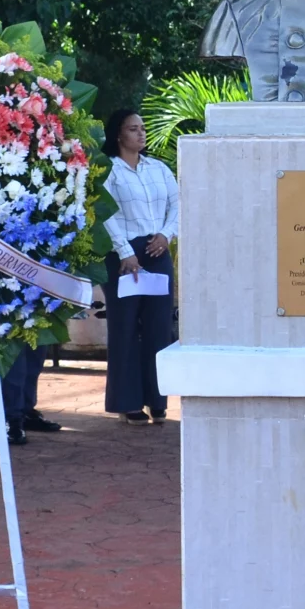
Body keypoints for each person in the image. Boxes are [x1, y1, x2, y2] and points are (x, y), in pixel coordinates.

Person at [102, 108, 179, 423]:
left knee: (160, 327)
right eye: (133, 129)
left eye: (143, 129)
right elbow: (104, 212)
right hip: (125, 254)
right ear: (119, 134)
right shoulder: (109, 170)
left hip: (157, 249)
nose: (141, 134)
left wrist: (166, 235)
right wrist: (123, 251)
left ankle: (157, 399)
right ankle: (128, 402)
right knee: (125, 327)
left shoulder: (158, 169)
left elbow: (178, 203)